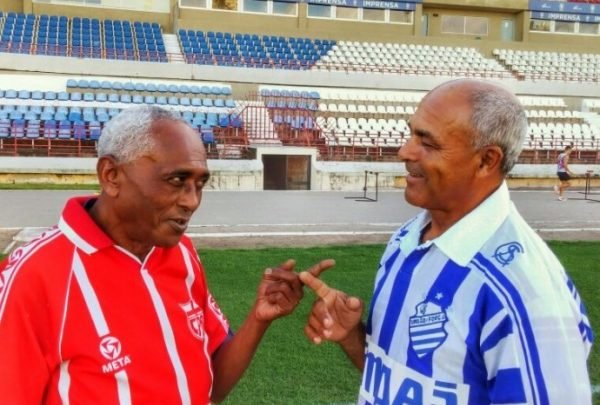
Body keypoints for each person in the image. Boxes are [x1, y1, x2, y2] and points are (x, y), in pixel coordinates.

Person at [0, 105, 334, 404]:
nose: (192, 201)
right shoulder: (34, 275)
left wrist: (258, 321)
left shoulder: (181, 253)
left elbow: (210, 387)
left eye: (200, 184)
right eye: (176, 180)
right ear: (111, 176)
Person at [300, 79, 593, 404]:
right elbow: (403, 381)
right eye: (411, 134)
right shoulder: (407, 239)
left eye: (428, 143)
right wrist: (351, 336)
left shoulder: (525, 294)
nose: (404, 151)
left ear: (486, 160)